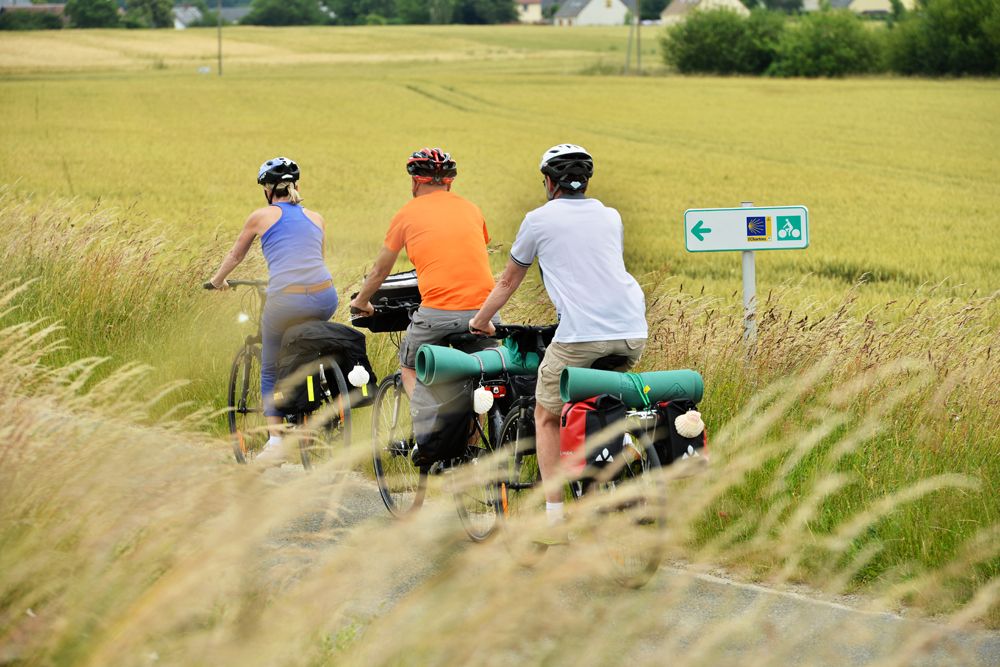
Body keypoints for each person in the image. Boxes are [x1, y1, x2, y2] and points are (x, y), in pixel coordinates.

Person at [469, 144, 648, 527]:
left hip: (582, 334)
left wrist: (482, 321)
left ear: (549, 182)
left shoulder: (537, 220)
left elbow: (507, 281)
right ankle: (625, 453)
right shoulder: (610, 216)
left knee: (546, 415)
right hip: (632, 329)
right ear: (586, 182)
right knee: (603, 399)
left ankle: (554, 518)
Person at [208, 156, 338, 465]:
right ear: (296, 187)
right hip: (325, 296)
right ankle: (318, 387)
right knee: (308, 343)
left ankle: (276, 440)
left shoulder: (260, 216)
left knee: (269, 364)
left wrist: (218, 281)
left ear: (268, 190)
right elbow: (315, 259)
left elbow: (235, 255)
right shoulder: (316, 217)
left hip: (285, 300)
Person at [350, 147, 498, 396]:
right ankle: (475, 433)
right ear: (449, 183)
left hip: (438, 313)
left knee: (409, 365)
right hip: (487, 312)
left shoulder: (407, 214)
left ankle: (425, 427)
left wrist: (361, 301)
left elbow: (380, 270)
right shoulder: (472, 209)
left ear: (415, 182)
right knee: (481, 379)